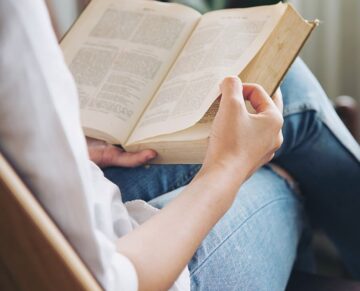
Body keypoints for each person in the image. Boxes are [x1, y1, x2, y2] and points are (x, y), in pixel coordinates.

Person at [1, 1, 359, 291]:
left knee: (278, 86)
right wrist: (227, 169)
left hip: (55, 211)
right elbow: (108, 280)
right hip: (121, 267)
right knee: (279, 172)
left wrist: (66, 146)